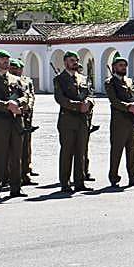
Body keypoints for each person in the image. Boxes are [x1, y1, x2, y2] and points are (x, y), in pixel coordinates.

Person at [0, 49, 27, 200]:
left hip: (16, 121)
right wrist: (7, 105)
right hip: (0, 121)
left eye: (7, 60)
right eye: (2, 60)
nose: (5, 63)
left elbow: (25, 96)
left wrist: (18, 103)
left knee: (17, 155)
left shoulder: (16, 80)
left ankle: (16, 187)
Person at [53, 51, 93, 194]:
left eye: (76, 60)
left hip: (82, 120)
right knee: (67, 152)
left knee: (81, 151)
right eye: (72, 60)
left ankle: (79, 182)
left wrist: (89, 103)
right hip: (67, 120)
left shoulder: (83, 78)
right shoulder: (59, 79)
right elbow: (60, 99)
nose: (75, 63)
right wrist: (78, 106)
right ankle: (65, 182)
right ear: (65, 62)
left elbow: (90, 94)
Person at [105, 52, 134, 188]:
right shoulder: (110, 82)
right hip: (119, 122)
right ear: (114, 67)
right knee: (116, 151)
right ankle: (114, 178)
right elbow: (114, 101)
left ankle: (133, 177)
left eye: (125, 66)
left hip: (132, 121)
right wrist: (129, 107)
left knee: (132, 151)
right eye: (120, 65)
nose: (123, 68)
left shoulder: (130, 81)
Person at [9, 58, 38, 185]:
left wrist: (28, 107)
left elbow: (31, 95)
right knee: (11, 148)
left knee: (26, 146)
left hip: (26, 116)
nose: (15, 70)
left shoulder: (27, 81)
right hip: (12, 116)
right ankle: (9, 174)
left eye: (18, 68)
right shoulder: (9, 80)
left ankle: (26, 172)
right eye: (13, 68)